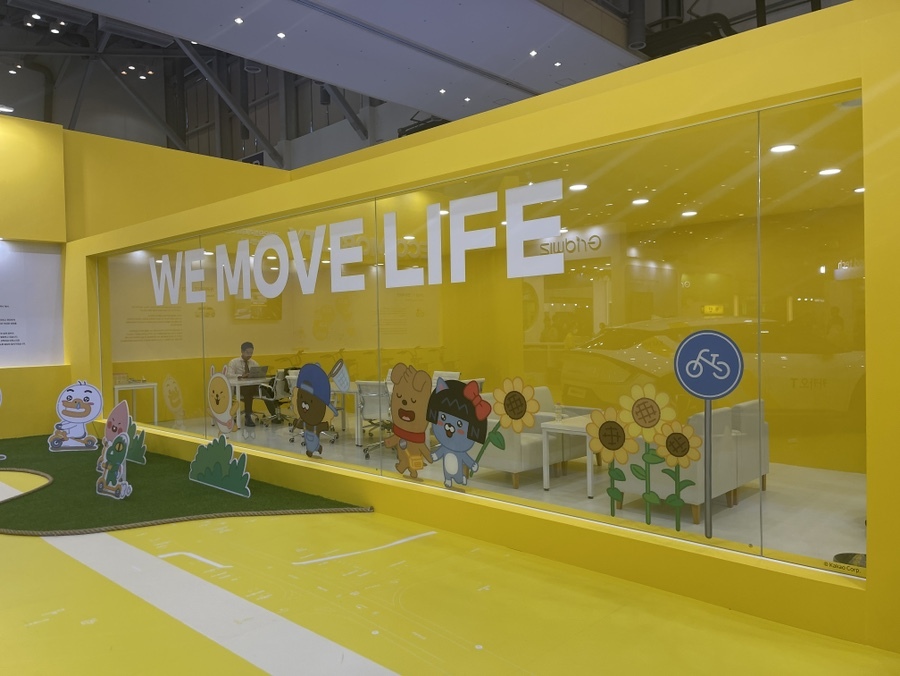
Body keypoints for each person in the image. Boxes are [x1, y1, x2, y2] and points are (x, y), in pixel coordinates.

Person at [226, 341, 276, 427]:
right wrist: (241, 376)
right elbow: (229, 375)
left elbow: (258, 374)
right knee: (248, 392)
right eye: (247, 352)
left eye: (251, 353)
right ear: (242, 351)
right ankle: (248, 417)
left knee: (265, 391)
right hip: (239, 388)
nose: (249, 355)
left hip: (252, 386)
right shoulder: (234, 362)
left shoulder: (254, 363)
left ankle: (274, 415)